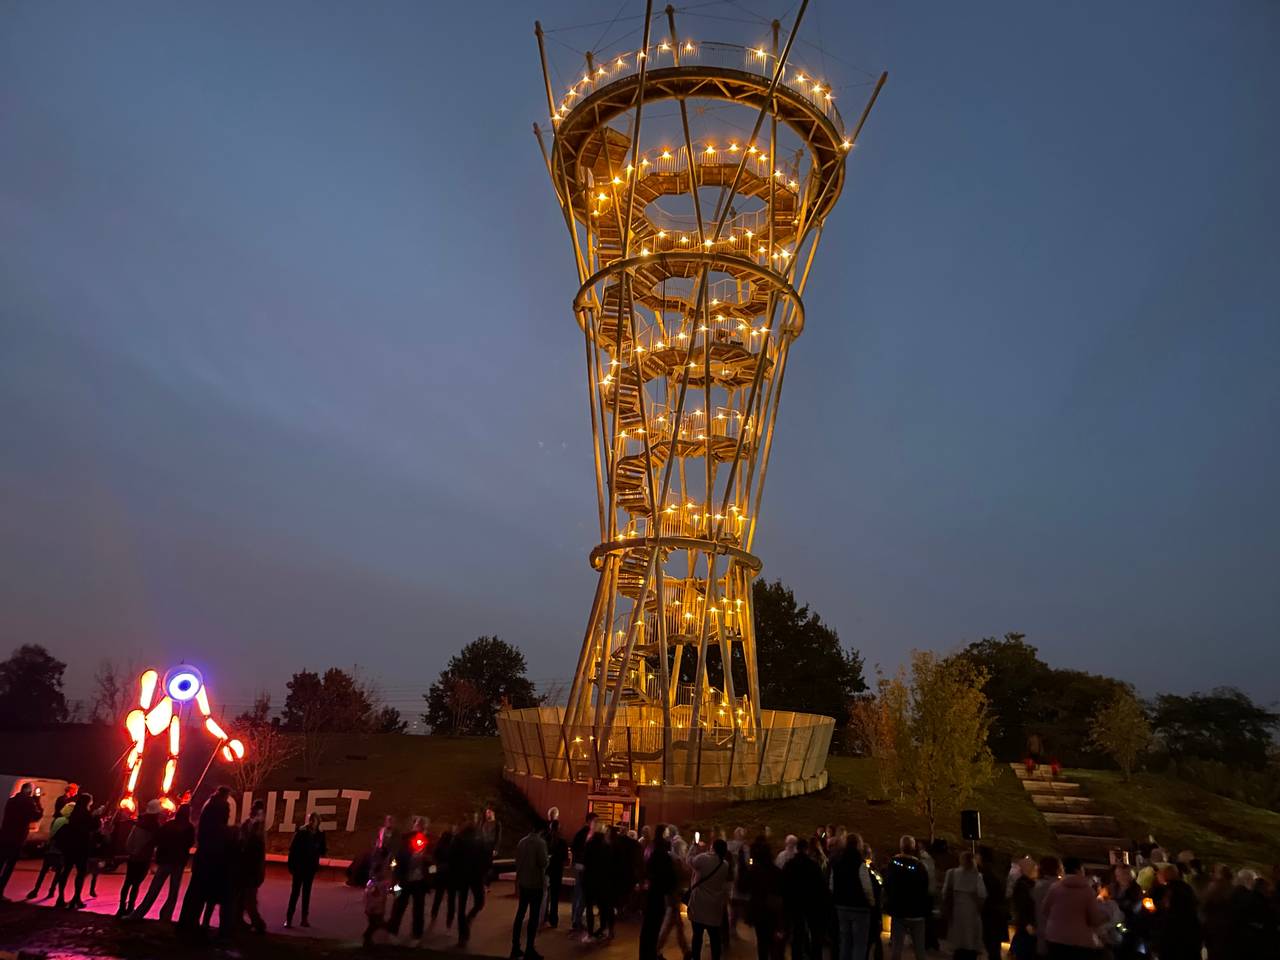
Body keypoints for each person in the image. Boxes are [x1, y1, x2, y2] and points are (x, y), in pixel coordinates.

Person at [177, 786, 233, 940]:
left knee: (195, 893)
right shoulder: (219, 809)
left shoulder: (208, 806)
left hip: (202, 857)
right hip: (210, 859)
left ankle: (188, 923)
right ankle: (193, 926)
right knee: (203, 893)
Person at [132, 803, 194, 921]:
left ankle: (139, 913)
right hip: (178, 862)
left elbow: (157, 838)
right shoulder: (189, 827)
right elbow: (190, 843)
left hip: (165, 860)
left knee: (154, 889)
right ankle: (166, 916)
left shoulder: (169, 825)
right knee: (173, 892)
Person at [1040, 856, 1108, 958]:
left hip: (1054, 939)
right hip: (1079, 942)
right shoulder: (1087, 891)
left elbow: (1044, 910)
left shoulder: (1055, 887)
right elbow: (1094, 919)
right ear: (1079, 870)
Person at [884, 835, 930, 960]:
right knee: (920, 950)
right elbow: (925, 888)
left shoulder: (893, 864)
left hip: (899, 911)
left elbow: (887, 884)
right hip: (917, 912)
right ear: (913, 847)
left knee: (896, 949)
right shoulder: (920, 866)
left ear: (901, 847)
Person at [389, 815, 433, 944]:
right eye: (418, 826)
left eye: (422, 827)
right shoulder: (405, 841)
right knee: (398, 906)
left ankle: (416, 934)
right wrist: (395, 876)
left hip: (419, 882)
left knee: (418, 909)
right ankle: (393, 930)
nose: (420, 829)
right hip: (403, 880)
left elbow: (433, 865)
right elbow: (396, 860)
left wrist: (430, 875)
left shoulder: (428, 844)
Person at [831, 831, 875, 960]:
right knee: (859, 944)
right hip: (859, 907)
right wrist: (871, 903)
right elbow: (866, 887)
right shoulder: (860, 864)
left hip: (841, 906)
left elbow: (832, 885)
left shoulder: (837, 863)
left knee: (845, 942)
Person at [688, 836, 732, 960]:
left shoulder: (703, 859)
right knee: (714, 937)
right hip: (714, 906)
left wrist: (694, 846)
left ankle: (696, 958)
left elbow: (689, 860)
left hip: (699, 904)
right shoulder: (725, 865)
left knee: (697, 936)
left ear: (713, 847)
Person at [783, 837, 828, 960]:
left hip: (795, 903)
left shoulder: (789, 865)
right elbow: (821, 886)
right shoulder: (813, 865)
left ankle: (797, 956)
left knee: (797, 933)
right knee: (814, 933)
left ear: (797, 849)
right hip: (811, 903)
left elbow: (784, 884)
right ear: (806, 849)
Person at [117, 799, 163, 916]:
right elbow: (157, 842)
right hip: (144, 859)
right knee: (136, 884)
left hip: (133, 857)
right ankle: (130, 907)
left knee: (127, 882)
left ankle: (122, 907)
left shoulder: (139, 823)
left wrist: (131, 851)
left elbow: (129, 841)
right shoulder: (155, 827)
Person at [52, 793, 97, 909]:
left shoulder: (74, 813)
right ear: (88, 802)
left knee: (65, 871)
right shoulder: (86, 814)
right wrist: (96, 816)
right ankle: (76, 899)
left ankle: (60, 898)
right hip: (81, 847)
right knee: (81, 873)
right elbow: (93, 827)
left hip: (69, 847)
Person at [511, 822, 548, 960]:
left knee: (520, 914)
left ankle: (515, 947)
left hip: (523, 882)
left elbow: (517, 861)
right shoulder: (540, 843)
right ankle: (529, 948)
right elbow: (543, 862)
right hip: (535, 883)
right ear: (542, 831)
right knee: (533, 917)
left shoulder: (522, 842)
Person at [0, 782, 43, 899]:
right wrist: (37, 800)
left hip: (4, 835)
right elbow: (37, 816)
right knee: (9, 866)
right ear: (29, 791)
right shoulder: (28, 802)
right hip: (17, 837)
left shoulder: (12, 800)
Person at [942, 851, 987, 960]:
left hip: (956, 914)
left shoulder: (951, 873)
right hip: (972, 914)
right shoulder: (977, 876)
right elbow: (982, 895)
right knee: (970, 946)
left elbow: (944, 893)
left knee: (958, 947)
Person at [640, 829, 678, 960]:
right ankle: (650, 954)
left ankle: (647, 954)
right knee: (653, 926)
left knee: (649, 927)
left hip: (653, 891)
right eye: (667, 834)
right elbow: (668, 876)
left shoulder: (653, 850)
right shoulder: (662, 854)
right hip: (658, 893)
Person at [285, 811, 326, 928]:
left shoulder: (320, 834)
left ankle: (304, 919)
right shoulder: (301, 832)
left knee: (306, 894)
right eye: (311, 820)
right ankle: (289, 918)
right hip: (299, 867)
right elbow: (292, 849)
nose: (312, 822)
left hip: (310, 868)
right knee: (295, 893)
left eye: (314, 820)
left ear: (318, 822)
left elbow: (323, 850)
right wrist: (291, 865)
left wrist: (319, 847)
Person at [747, 836, 786, 960]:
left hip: (760, 912)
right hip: (773, 911)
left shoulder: (754, 872)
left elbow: (748, 889)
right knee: (773, 943)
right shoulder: (777, 872)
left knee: (762, 942)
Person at [1154, 863, 1201, 960]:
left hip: (1173, 938)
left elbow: (1166, 913)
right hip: (1190, 936)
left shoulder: (1169, 891)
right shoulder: (1187, 888)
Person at [26, 800, 70, 901]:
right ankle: (51, 891)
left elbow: (51, 833)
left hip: (51, 849)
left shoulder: (57, 820)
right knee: (58, 873)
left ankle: (36, 890)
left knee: (43, 871)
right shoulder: (68, 822)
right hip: (60, 851)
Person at [453, 821, 486, 946]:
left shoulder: (458, 839)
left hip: (463, 876)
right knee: (479, 902)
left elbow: (452, 857)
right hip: (475, 875)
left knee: (461, 906)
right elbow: (485, 856)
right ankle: (468, 920)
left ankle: (463, 935)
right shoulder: (479, 839)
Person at [237, 798, 268, 934]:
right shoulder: (255, 827)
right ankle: (252, 922)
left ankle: (256, 923)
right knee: (247, 897)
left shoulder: (253, 827)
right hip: (249, 868)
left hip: (248, 868)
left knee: (247, 897)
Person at [362, 823, 394, 947]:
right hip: (376, 889)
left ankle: (373, 936)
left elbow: (390, 868)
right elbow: (376, 871)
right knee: (375, 917)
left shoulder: (386, 853)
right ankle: (369, 936)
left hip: (379, 888)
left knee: (377, 916)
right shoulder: (378, 854)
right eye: (385, 835)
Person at [976, 847, 1008, 960]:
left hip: (991, 913)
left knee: (992, 946)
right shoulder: (995, 870)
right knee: (994, 947)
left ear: (981, 857)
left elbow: (984, 894)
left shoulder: (985, 873)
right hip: (998, 912)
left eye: (977, 855)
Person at [570, 811, 597, 931]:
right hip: (584, 866)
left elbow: (574, 848)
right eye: (595, 821)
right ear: (589, 821)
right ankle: (577, 920)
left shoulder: (580, 833)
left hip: (578, 865)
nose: (596, 824)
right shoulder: (589, 835)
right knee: (583, 894)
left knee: (578, 892)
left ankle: (575, 918)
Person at [1008, 857, 1038, 960]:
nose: (1036, 870)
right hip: (1027, 924)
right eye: (1034, 868)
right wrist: (1027, 923)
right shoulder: (1023, 885)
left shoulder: (1027, 884)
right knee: (1025, 950)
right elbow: (1022, 906)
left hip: (1026, 923)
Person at [430, 822, 456, 929]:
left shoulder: (439, 847)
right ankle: (449, 922)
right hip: (451, 875)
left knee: (438, 896)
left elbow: (434, 859)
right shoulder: (454, 847)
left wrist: (433, 873)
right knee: (451, 899)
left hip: (441, 874)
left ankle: (434, 915)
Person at [543, 811, 567, 928]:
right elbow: (565, 858)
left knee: (544, 895)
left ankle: (543, 916)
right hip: (557, 871)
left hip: (547, 870)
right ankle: (554, 919)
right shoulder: (562, 841)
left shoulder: (545, 839)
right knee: (555, 896)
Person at [480, 806, 502, 886]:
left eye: (489, 812)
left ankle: (487, 884)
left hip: (491, 846)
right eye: (486, 813)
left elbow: (498, 837)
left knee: (489, 865)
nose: (487, 814)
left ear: (493, 813)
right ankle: (483, 883)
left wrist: (496, 848)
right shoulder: (483, 823)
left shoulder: (497, 824)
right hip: (483, 847)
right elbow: (480, 835)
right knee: (482, 865)